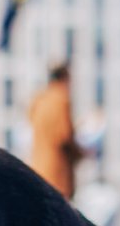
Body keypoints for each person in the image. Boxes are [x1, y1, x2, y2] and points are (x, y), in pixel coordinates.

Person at [27, 62, 87, 200]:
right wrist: (80, 154)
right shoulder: (60, 100)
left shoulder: (39, 100)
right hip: (57, 172)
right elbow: (64, 136)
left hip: (39, 168)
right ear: (64, 78)